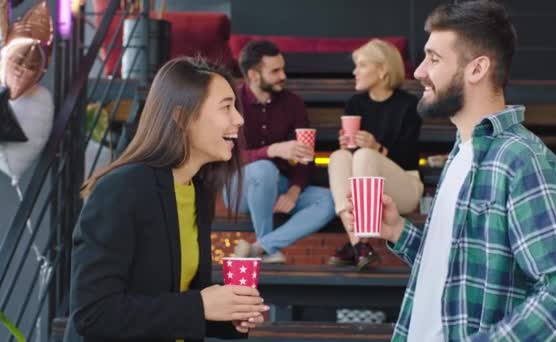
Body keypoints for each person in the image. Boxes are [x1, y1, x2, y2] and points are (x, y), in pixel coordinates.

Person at [342, 1, 556, 340]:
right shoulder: (463, 150)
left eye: (434, 58)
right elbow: (459, 270)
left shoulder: (521, 159)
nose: (418, 72)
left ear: (477, 69)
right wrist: (399, 231)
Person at [68, 57, 269, 342]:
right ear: (181, 117)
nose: (239, 118)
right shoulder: (121, 189)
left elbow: (177, 304)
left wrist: (229, 314)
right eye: (226, 107)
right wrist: (201, 305)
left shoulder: (197, 190)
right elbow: (93, 314)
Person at [225, 40, 335, 263]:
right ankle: (267, 244)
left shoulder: (293, 103)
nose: (283, 75)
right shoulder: (232, 103)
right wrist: (273, 150)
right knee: (264, 168)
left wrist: (294, 190)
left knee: (329, 201)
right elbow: (228, 155)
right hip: (239, 188)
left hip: (280, 185)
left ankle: (261, 248)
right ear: (254, 75)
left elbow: (306, 155)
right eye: (275, 71)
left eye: (282, 68)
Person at [327, 39, 424, 270]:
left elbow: (410, 157)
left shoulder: (409, 105)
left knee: (365, 156)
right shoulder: (355, 103)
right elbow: (349, 163)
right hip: (364, 189)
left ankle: (357, 244)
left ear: (382, 70)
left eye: (361, 65)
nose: (354, 72)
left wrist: (376, 148)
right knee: (338, 157)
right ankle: (360, 245)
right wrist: (346, 145)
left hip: (404, 187)